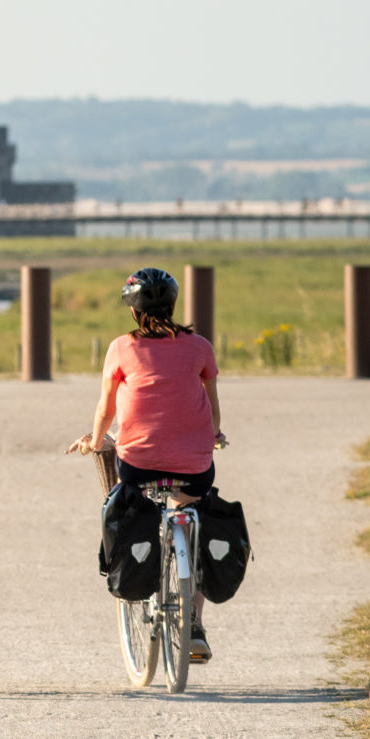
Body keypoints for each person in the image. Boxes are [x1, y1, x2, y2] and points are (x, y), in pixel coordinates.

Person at [65, 267, 225, 662]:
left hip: (137, 463)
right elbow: (212, 408)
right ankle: (195, 624)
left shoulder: (122, 348)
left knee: (134, 505)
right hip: (194, 465)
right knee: (192, 514)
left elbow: (106, 408)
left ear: (133, 312)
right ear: (172, 305)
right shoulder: (200, 346)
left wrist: (95, 439)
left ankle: (144, 575)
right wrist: (214, 435)